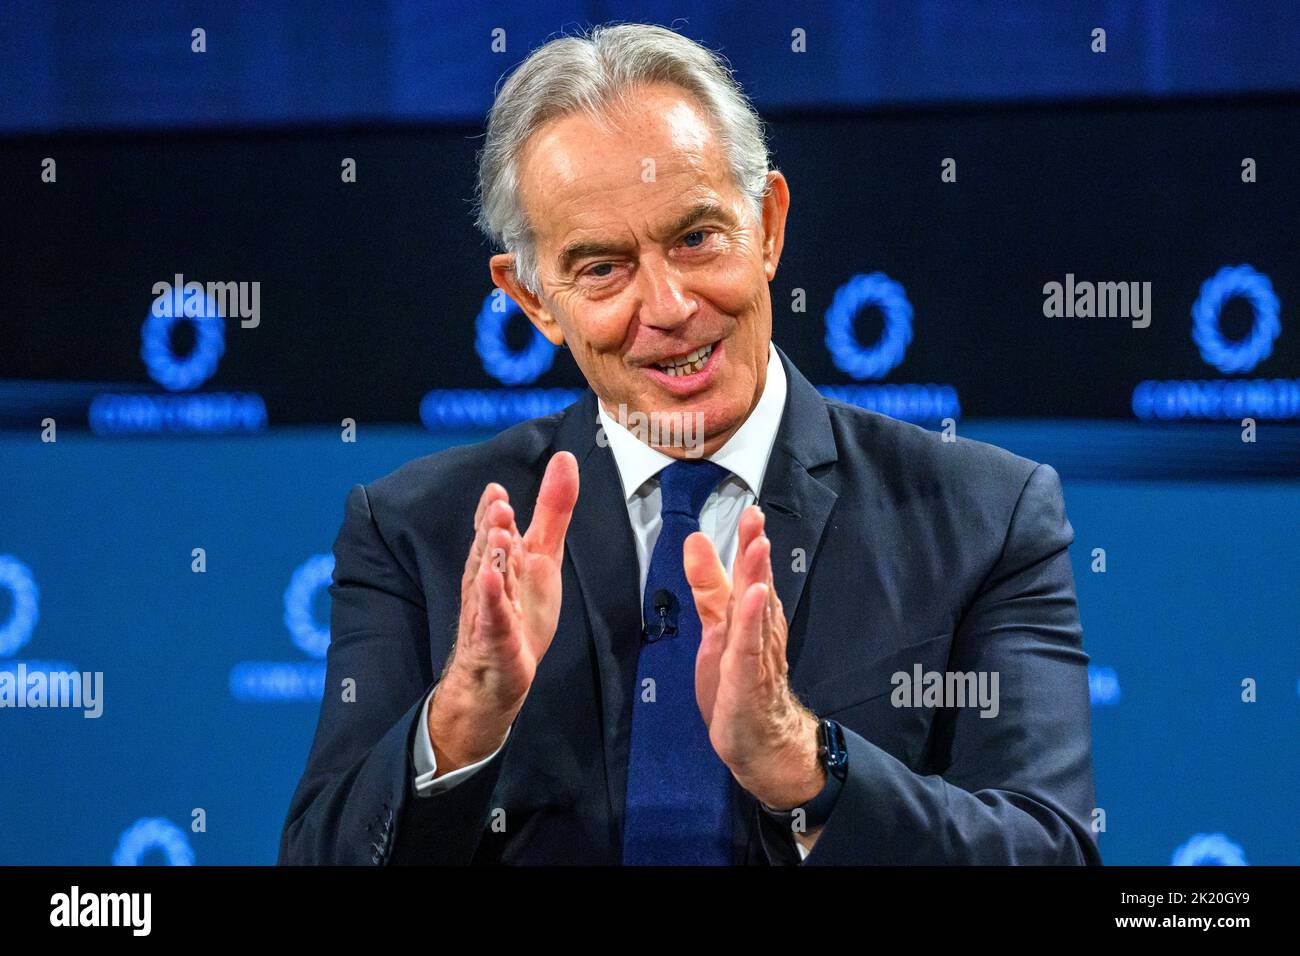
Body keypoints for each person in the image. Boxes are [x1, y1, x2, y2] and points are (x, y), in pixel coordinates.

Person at [278, 22, 1100, 866]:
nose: (668, 306)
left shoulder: (985, 516)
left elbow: (1051, 853)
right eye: (601, 268)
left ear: (769, 226)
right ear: (533, 300)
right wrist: (464, 717)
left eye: (696, 239)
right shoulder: (413, 530)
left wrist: (807, 767)